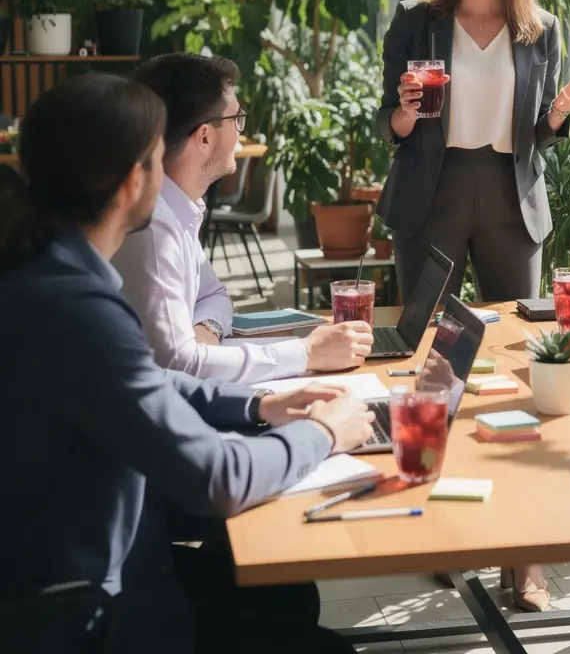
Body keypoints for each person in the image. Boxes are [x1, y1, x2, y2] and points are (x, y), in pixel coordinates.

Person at [0, 74, 374, 653]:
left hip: (96, 571)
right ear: (132, 182)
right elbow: (215, 478)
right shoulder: (77, 309)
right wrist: (323, 434)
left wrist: (258, 402)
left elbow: (147, 381)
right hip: (96, 618)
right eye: (157, 159)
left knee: (283, 592)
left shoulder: (45, 271)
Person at [376, 0, 570, 612]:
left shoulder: (539, 29)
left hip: (508, 198)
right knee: (435, 366)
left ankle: (526, 554)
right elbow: (393, 124)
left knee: (523, 367)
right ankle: (447, 535)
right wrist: (406, 111)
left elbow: (535, 131)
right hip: (432, 196)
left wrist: (556, 119)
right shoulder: (417, 21)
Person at [113, 53, 372, 384]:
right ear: (204, 137)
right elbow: (178, 365)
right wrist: (306, 353)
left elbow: (214, 296)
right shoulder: (154, 227)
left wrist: (205, 333)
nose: (240, 132)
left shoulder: (179, 207)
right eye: (236, 119)